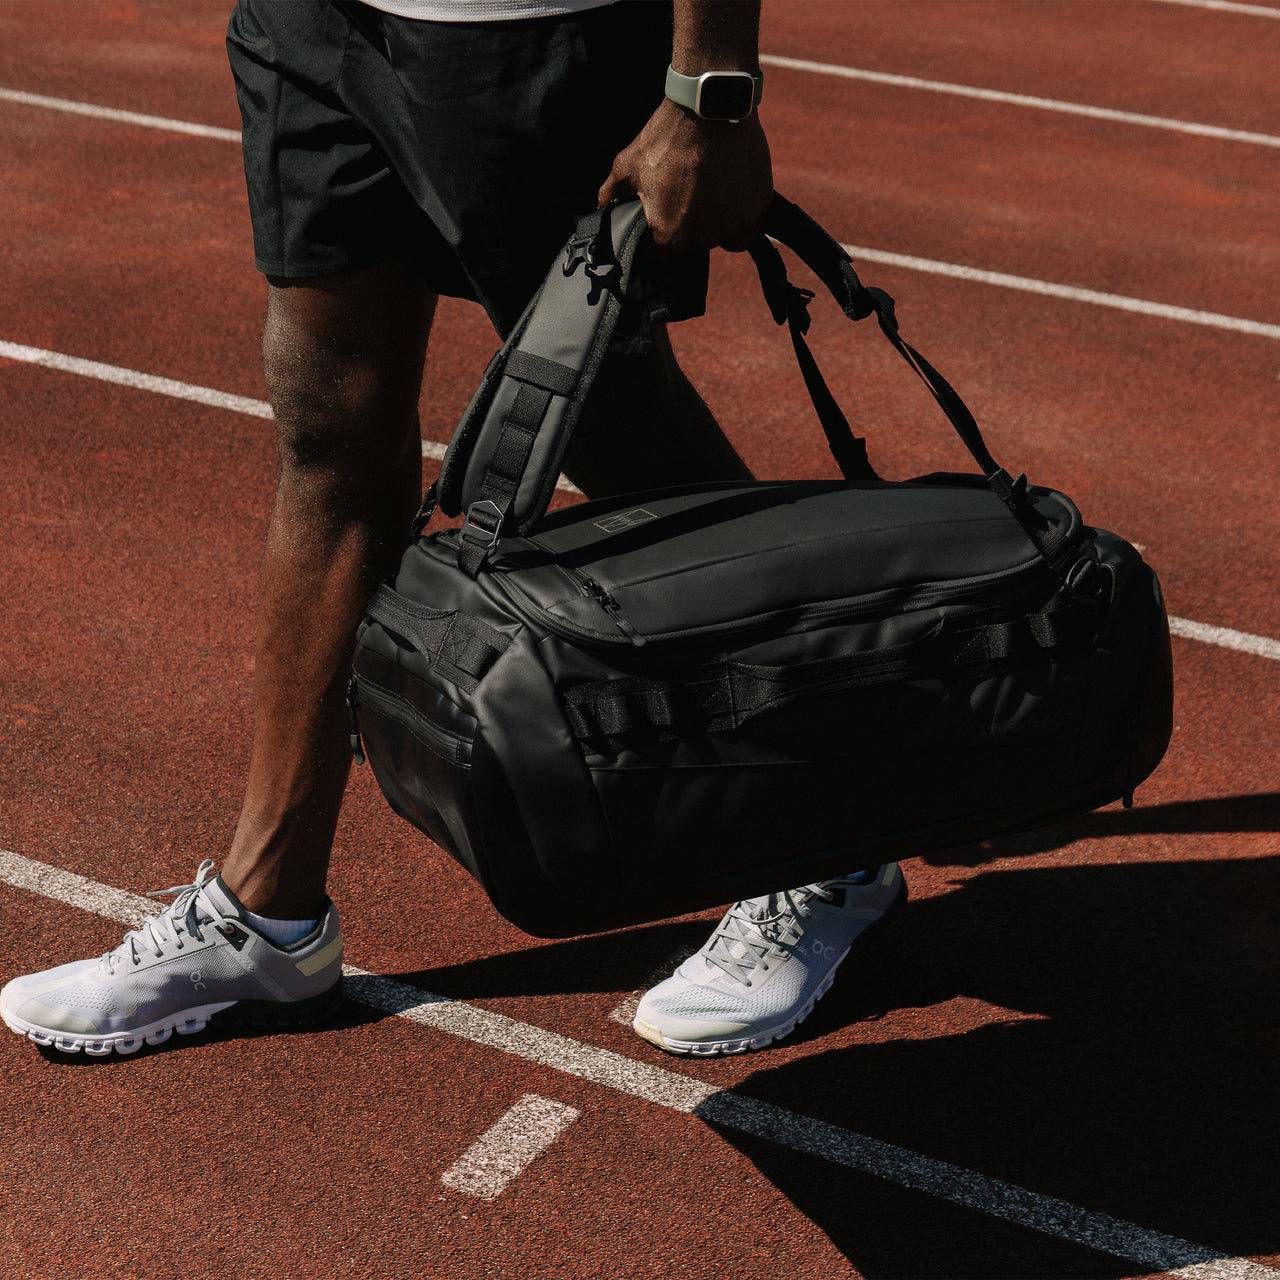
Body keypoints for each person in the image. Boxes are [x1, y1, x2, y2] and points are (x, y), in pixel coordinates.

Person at [0, 0, 904, 1060]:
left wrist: (712, 87)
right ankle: (266, 916)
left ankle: (831, 840)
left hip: (519, 25)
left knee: (614, 427)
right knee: (329, 430)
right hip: (316, 21)